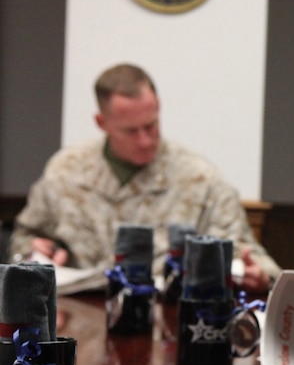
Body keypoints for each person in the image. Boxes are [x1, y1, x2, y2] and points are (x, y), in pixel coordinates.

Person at [10, 63, 280, 292]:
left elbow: (244, 252)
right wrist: (34, 251)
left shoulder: (199, 178)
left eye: (151, 125)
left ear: (158, 107)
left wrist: (261, 275)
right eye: (130, 131)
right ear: (102, 122)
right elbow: (25, 236)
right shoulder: (65, 170)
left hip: (162, 324)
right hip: (81, 318)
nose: (144, 140)